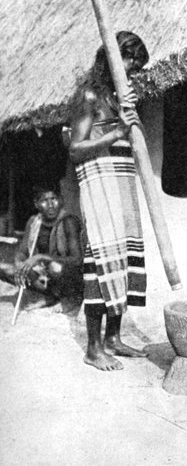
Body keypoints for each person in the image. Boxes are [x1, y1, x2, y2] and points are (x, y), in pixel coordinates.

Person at [69, 31, 149, 371]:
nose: (133, 73)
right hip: (100, 183)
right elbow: (75, 148)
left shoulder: (119, 97)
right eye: (132, 64)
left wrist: (129, 118)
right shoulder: (89, 95)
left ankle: (114, 338)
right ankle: (93, 347)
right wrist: (116, 132)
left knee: (124, 257)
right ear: (117, 58)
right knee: (102, 261)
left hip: (122, 180)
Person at [0, 183, 83, 313]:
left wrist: (41, 257)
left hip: (68, 276)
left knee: (54, 266)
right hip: (45, 275)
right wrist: (18, 263)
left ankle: (67, 299)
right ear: (36, 204)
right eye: (44, 200)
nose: (50, 205)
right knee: (4, 269)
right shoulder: (34, 222)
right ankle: (50, 296)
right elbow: (22, 251)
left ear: (61, 200)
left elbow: (77, 259)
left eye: (54, 199)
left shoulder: (68, 222)